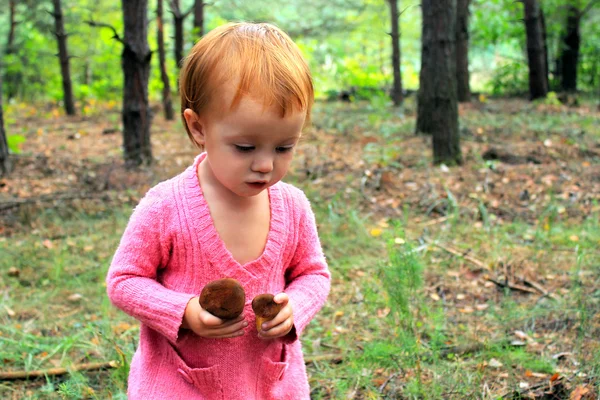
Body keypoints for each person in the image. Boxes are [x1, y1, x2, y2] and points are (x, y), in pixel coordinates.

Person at [106, 22, 331, 400]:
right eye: (245, 147)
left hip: (269, 383)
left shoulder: (292, 206)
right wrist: (184, 312)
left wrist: (297, 307)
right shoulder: (165, 207)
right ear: (198, 128)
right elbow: (124, 281)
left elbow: (313, 274)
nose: (264, 164)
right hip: (181, 383)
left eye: (283, 147)